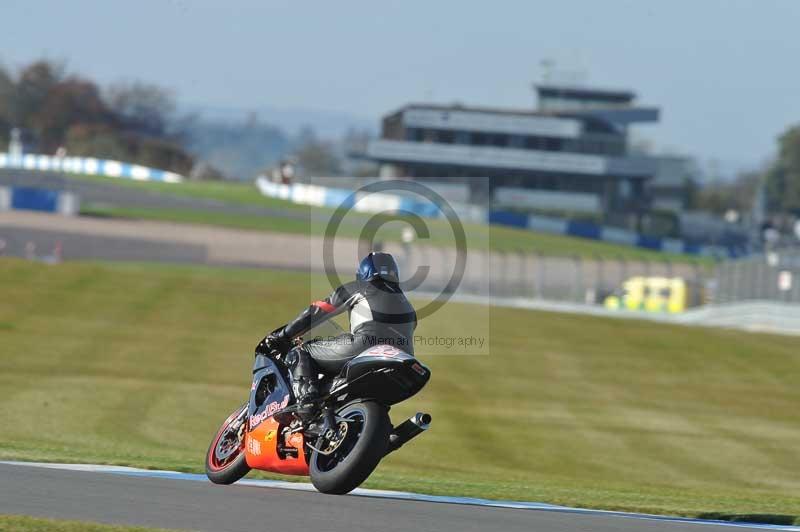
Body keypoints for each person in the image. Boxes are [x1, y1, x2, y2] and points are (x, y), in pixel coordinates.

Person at [258, 252, 417, 414]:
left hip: (365, 347)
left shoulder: (360, 287)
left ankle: (307, 402)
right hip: (404, 359)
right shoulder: (409, 307)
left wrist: (283, 335)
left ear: (364, 272)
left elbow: (317, 311)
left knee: (300, 352)